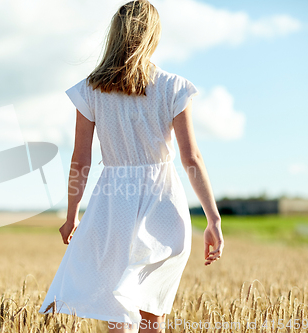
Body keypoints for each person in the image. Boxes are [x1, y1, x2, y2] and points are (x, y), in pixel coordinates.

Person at [38, 1, 224, 332]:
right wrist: (213, 218)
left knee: (118, 317)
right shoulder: (173, 87)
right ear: (153, 36)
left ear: (115, 34)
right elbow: (191, 158)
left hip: (114, 205)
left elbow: (80, 159)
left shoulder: (91, 89)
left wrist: (71, 215)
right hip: (164, 203)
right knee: (153, 315)